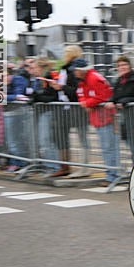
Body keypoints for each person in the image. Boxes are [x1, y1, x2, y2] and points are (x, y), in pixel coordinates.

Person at [72, 58, 120, 184]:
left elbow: (102, 96)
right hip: (99, 117)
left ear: (80, 70)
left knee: (108, 147)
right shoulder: (85, 79)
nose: (74, 72)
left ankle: (113, 175)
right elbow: (81, 94)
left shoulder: (93, 78)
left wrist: (87, 103)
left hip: (105, 117)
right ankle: (112, 174)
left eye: (75, 70)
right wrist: (85, 103)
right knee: (106, 147)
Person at [48, 45, 90, 178]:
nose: (63, 55)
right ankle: (67, 166)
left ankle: (85, 167)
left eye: (66, 52)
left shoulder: (74, 70)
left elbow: (76, 91)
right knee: (68, 137)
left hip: (77, 107)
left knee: (82, 138)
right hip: (67, 107)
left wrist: (61, 87)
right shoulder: (65, 69)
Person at [104, 55, 134, 163]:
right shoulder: (119, 81)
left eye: (124, 64)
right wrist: (111, 101)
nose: (122, 67)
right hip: (125, 118)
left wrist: (124, 101)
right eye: (119, 65)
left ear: (130, 66)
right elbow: (115, 95)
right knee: (131, 146)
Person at [26, 57, 60, 174]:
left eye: (34, 68)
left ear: (41, 67)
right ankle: (48, 164)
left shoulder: (49, 76)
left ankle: (53, 166)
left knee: (46, 140)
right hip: (42, 111)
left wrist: (36, 97)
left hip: (49, 111)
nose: (33, 70)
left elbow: (52, 97)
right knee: (42, 140)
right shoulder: (38, 79)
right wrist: (35, 96)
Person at [4, 65, 29, 172]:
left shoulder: (19, 80)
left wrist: (9, 97)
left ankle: (19, 162)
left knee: (14, 140)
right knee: (11, 140)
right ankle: (15, 161)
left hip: (16, 113)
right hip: (7, 113)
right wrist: (11, 97)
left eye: (4, 76)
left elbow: (19, 95)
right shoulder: (3, 83)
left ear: (9, 74)